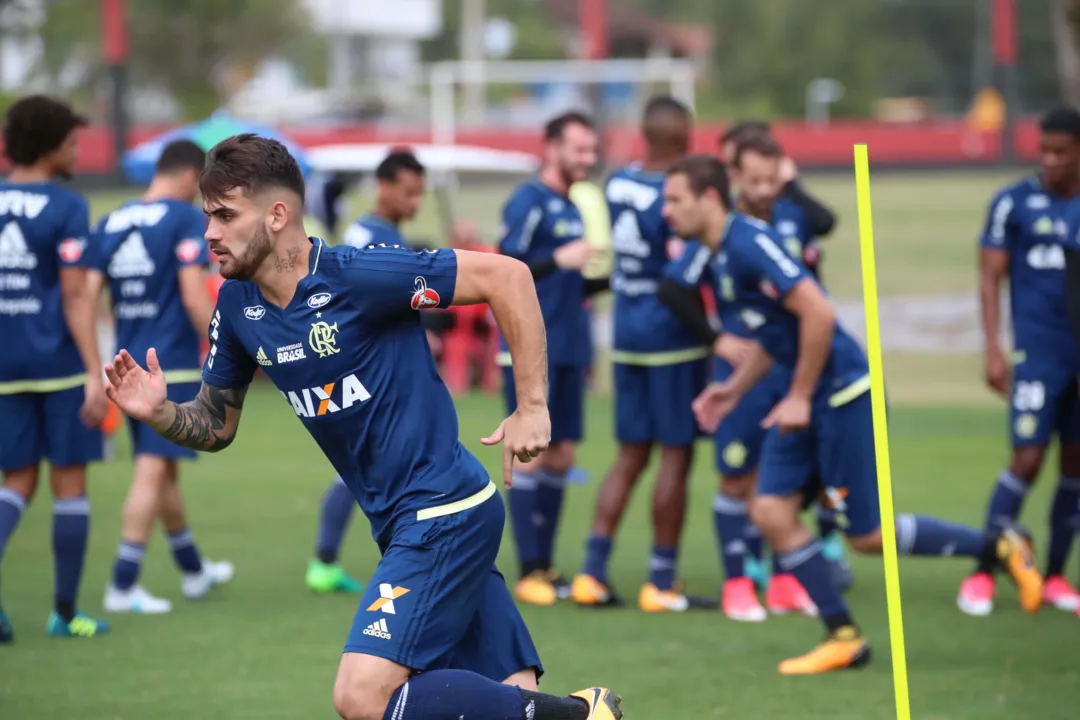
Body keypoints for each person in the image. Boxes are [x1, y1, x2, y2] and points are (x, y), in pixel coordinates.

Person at [102, 133, 623, 720]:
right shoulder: (238, 307)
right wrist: (161, 412)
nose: (209, 233)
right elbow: (216, 423)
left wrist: (532, 406)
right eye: (207, 216)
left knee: (361, 697)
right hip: (405, 524)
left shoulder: (361, 274)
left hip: (441, 512)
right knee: (509, 694)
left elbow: (508, 277)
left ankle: (581, 715)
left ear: (277, 215)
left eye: (225, 216)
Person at [660, 153, 1042, 675]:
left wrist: (799, 394)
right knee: (771, 511)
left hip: (841, 395)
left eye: (674, 199)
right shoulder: (719, 254)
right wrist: (732, 391)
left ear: (708, 198)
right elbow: (777, 333)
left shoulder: (747, 243)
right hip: (805, 397)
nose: (666, 211)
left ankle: (999, 546)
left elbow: (818, 311)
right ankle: (843, 635)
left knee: (866, 537)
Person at [570, 95, 708, 612]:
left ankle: (591, 572)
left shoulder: (617, 182)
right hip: (672, 338)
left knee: (629, 456)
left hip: (625, 334)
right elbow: (683, 267)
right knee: (676, 454)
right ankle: (661, 580)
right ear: (681, 138)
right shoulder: (677, 192)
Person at [88, 139, 234, 614]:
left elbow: (90, 295)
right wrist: (225, 344)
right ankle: (123, 583)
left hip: (127, 364)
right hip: (168, 365)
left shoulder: (113, 220)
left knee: (164, 468)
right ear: (191, 176)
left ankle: (193, 569)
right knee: (153, 469)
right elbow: (194, 295)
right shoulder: (184, 219)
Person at [0, 95, 110, 642]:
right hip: (59, 368)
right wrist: (94, 372)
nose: (77, 152)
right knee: (70, 485)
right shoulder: (66, 206)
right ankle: (65, 614)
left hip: (4, 370)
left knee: (16, 482)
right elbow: (75, 294)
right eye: (70, 143)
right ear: (48, 147)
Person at [962, 106, 1080, 616]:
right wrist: (994, 347)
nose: (1050, 160)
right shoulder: (1013, 202)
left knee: (1074, 464)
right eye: (1044, 150)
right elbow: (990, 277)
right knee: (1027, 459)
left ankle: (1054, 577)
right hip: (1037, 353)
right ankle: (982, 571)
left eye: (1061, 152)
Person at [306, 149, 430, 597]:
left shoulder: (378, 232)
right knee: (384, 469)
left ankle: (328, 561)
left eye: (420, 193)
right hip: (368, 373)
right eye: (408, 192)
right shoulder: (372, 238)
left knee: (369, 469)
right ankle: (399, 565)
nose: (416, 202)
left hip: (375, 370)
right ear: (384, 186)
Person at [496, 112, 604, 606]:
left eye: (592, 150)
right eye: (579, 149)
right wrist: (558, 260)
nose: (588, 158)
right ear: (551, 148)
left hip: (569, 347)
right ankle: (528, 571)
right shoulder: (528, 201)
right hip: (530, 349)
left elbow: (567, 284)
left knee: (562, 456)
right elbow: (504, 267)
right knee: (530, 453)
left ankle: (546, 566)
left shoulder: (572, 206)